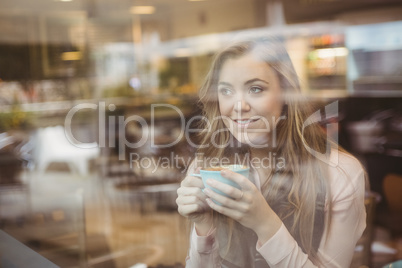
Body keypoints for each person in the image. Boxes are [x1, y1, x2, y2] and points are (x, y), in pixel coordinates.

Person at [176, 37, 367, 267]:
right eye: (226, 91)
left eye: (255, 89)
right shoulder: (207, 167)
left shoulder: (340, 173)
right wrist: (203, 226)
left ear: (286, 93)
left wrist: (265, 223)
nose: (238, 106)